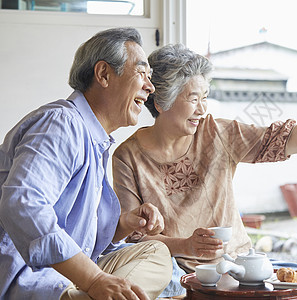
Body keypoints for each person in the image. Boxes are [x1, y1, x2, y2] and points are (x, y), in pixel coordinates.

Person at [112, 44, 297, 297]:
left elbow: (283, 138)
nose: (202, 108)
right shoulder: (128, 156)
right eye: (193, 98)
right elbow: (136, 238)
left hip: (237, 269)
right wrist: (187, 245)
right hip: (175, 274)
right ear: (161, 101)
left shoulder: (217, 133)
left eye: (205, 97)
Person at [0, 28, 173, 300]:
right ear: (103, 74)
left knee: (155, 253)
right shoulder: (62, 123)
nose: (150, 87)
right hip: (30, 278)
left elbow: (76, 236)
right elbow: (23, 203)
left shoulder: (95, 140)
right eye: (142, 73)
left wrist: (123, 224)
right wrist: (93, 280)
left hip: (69, 278)